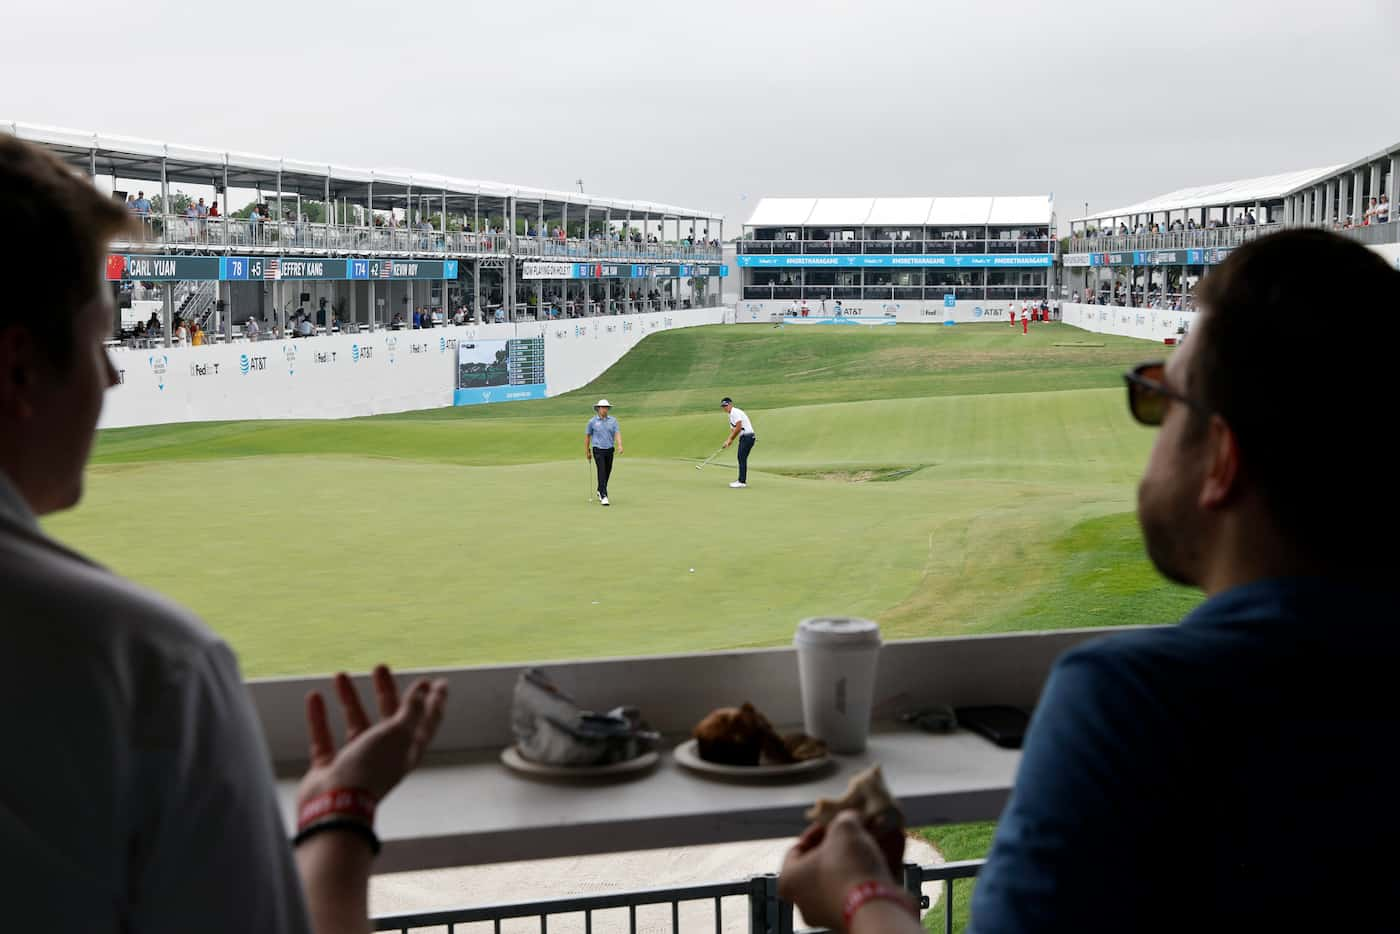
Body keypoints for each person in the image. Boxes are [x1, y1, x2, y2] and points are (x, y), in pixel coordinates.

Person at [777, 229, 1399, 934]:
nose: (1152, 421)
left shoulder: (1130, 702)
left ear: (1222, 458)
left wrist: (862, 894)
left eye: (1160, 399)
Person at [1, 133, 451, 932]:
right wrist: (339, 816)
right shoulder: (151, 668)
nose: (112, 374)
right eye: (100, 340)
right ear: (18, 368)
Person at [585, 398, 622, 506]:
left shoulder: (613, 421)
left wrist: (619, 445)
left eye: (606, 408)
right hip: (598, 449)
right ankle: (604, 495)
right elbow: (587, 436)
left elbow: (617, 433)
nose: (604, 410)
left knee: (607, 471)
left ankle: (600, 489)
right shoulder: (592, 422)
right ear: (598, 409)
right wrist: (587, 451)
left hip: (609, 449)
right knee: (601, 471)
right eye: (602, 408)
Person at [719, 397, 756, 489]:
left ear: (730, 404)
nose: (725, 408)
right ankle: (741, 480)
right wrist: (729, 441)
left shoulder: (735, 412)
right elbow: (734, 430)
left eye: (726, 405)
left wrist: (730, 439)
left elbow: (739, 427)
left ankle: (742, 482)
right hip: (745, 437)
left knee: (741, 458)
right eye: (723, 406)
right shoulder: (730, 415)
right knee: (741, 458)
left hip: (747, 437)